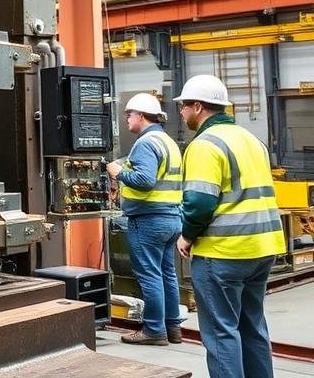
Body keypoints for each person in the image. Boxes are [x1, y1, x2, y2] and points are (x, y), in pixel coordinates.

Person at [175, 74, 285, 378]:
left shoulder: (204, 145)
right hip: (262, 248)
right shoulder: (252, 140)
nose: (182, 112)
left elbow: (199, 203)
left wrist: (187, 236)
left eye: (184, 106)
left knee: (221, 332)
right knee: (253, 326)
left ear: (198, 107)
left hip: (224, 252)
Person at [106, 92, 183, 345]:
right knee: (167, 274)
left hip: (149, 219)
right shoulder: (167, 142)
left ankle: (153, 331)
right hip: (171, 218)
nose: (126, 118)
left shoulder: (145, 143)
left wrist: (118, 173)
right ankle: (172, 327)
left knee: (149, 276)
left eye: (129, 114)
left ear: (141, 115)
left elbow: (145, 180)